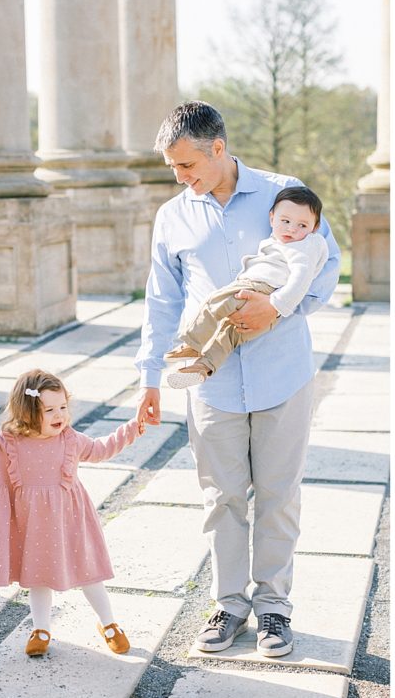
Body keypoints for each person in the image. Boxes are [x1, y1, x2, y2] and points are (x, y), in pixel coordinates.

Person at [135, 102, 340, 658]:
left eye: (186, 165)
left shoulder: (285, 195)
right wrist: (150, 376)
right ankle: (228, 604)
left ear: (218, 149)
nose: (180, 177)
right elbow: (163, 299)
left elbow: (327, 264)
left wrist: (278, 311)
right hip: (210, 380)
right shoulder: (173, 215)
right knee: (221, 497)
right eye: (174, 168)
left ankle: (274, 608)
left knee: (278, 495)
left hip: (283, 374)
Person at [0, 369, 145, 657]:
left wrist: (133, 427)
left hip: (70, 522)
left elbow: (101, 449)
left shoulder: (69, 440)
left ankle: (108, 623)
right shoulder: (9, 444)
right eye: (49, 410)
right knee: (38, 576)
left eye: (62, 407)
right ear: (28, 412)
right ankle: (41, 628)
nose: (59, 415)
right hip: (33, 526)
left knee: (88, 572)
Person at [166, 186, 328, 388]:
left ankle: (193, 342)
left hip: (259, 289)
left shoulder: (305, 246)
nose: (292, 229)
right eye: (285, 221)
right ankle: (202, 368)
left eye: (302, 225)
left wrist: (276, 305)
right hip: (268, 314)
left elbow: (301, 278)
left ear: (315, 227)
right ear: (272, 218)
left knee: (213, 303)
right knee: (229, 337)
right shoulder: (288, 241)